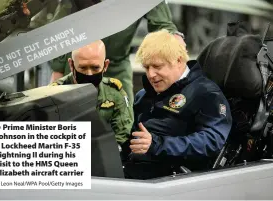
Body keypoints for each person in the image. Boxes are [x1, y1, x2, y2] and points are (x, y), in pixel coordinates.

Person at [122, 29, 232, 180]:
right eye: (147, 67)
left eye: (157, 66)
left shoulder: (206, 93)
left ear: (179, 61)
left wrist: (157, 144)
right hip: (132, 174)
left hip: (172, 180)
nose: (151, 74)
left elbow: (212, 140)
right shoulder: (143, 95)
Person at [49, 1, 185, 104]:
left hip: (117, 64)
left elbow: (162, 24)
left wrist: (173, 36)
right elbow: (59, 28)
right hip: (80, 66)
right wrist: (58, 70)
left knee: (125, 122)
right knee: (68, 117)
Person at [49, 40, 134, 146]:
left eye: (95, 68)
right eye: (83, 68)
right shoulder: (54, 95)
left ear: (105, 65)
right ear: (71, 65)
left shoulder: (114, 91)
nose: (89, 74)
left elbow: (123, 135)